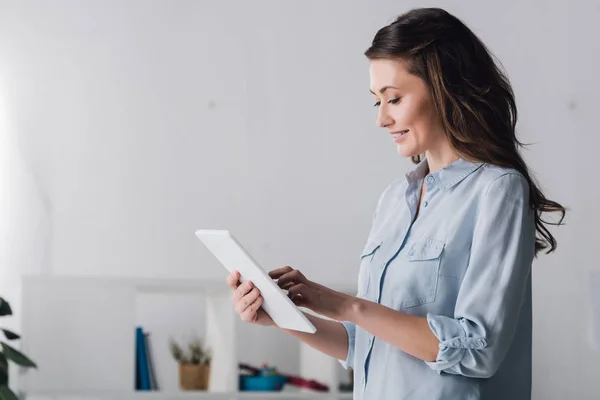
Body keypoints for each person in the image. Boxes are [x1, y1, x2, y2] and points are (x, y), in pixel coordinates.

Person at [226, 7, 565, 400]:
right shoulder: (393, 200)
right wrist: (284, 318)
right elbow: (368, 345)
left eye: (394, 99)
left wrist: (347, 306)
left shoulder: (498, 190)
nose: (382, 119)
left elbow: (479, 349)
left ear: (444, 89)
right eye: (376, 102)